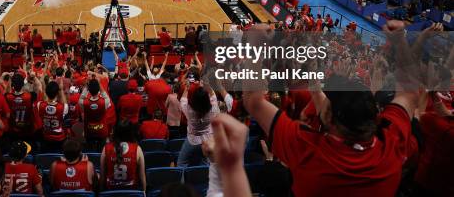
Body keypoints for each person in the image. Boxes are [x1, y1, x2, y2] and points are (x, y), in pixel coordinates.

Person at [242, 21, 419, 197]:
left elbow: (252, 99)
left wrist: (254, 43)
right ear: (375, 115)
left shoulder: (307, 149)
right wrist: (400, 42)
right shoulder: (391, 143)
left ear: (328, 118)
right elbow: (410, 92)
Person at [178, 81, 219, 167]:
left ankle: (183, 180)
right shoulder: (213, 110)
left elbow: (183, 101)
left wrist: (186, 89)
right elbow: (213, 97)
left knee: (182, 163)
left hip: (192, 141)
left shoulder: (189, 111)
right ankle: (204, 177)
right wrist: (208, 86)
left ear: (194, 100)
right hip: (207, 140)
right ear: (207, 100)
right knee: (205, 161)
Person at [100, 120, 146, 192]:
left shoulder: (106, 148)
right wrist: (144, 192)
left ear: (116, 132)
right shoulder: (137, 149)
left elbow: (102, 178)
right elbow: (142, 177)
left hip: (110, 193)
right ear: (131, 133)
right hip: (132, 193)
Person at [36, 80, 68, 152]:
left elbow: (44, 99)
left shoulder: (39, 105)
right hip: (59, 138)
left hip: (46, 137)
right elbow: (65, 104)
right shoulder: (62, 107)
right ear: (57, 93)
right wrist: (61, 90)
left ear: (46, 93)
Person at [80, 78, 111, 147]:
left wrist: (86, 87)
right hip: (102, 131)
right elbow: (105, 95)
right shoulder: (105, 102)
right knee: (101, 150)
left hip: (89, 131)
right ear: (98, 89)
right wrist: (99, 84)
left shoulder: (84, 103)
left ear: (89, 90)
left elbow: (81, 97)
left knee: (90, 149)